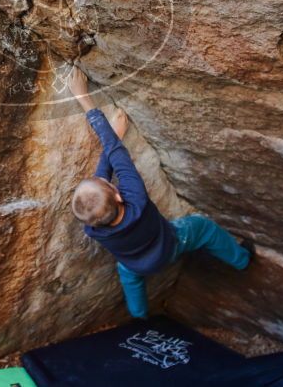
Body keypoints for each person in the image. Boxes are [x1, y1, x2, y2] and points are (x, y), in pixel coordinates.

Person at [67, 66, 255, 319]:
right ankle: (241, 259)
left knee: (129, 277)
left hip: (135, 263)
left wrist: (115, 142)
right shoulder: (137, 199)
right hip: (170, 246)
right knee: (203, 227)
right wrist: (84, 98)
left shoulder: (93, 227)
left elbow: (103, 179)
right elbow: (113, 156)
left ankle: (139, 317)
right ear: (119, 195)